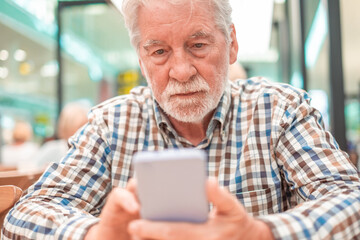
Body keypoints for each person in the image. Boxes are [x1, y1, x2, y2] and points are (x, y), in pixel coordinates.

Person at [3, 0, 360, 239]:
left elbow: (349, 198)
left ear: (231, 43)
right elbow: (28, 212)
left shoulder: (279, 109)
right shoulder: (111, 124)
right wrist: (94, 234)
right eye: (159, 51)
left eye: (198, 45)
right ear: (142, 61)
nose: (181, 71)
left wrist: (260, 233)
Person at [33, 101, 90, 169]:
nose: (85, 132)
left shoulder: (89, 152)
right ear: (67, 127)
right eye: (80, 128)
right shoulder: (52, 149)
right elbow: (34, 173)